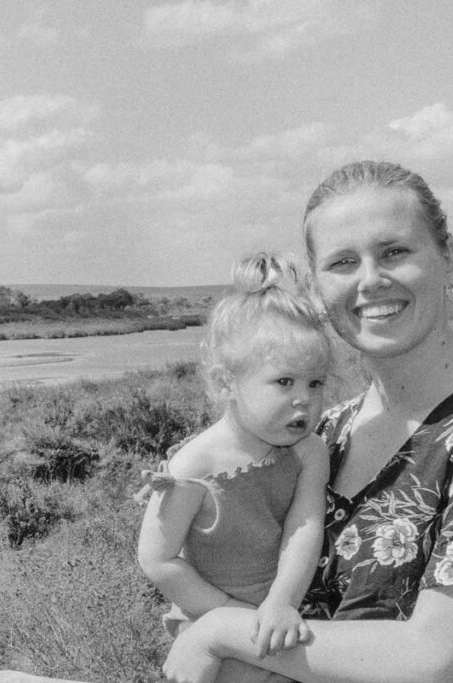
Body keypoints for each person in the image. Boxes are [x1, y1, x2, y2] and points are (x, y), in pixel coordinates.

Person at [162, 160, 453, 683]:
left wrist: (221, 630)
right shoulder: (323, 431)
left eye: (395, 252)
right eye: (342, 262)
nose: (371, 280)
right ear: (317, 290)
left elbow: (434, 660)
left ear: (449, 261)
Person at [137, 252, 334, 683]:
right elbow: (158, 559)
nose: (304, 399)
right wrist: (232, 618)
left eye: (315, 383)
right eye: (284, 382)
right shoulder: (193, 464)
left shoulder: (308, 451)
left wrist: (281, 603)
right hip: (211, 625)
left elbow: (303, 531)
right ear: (227, 382)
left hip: (285, 614)